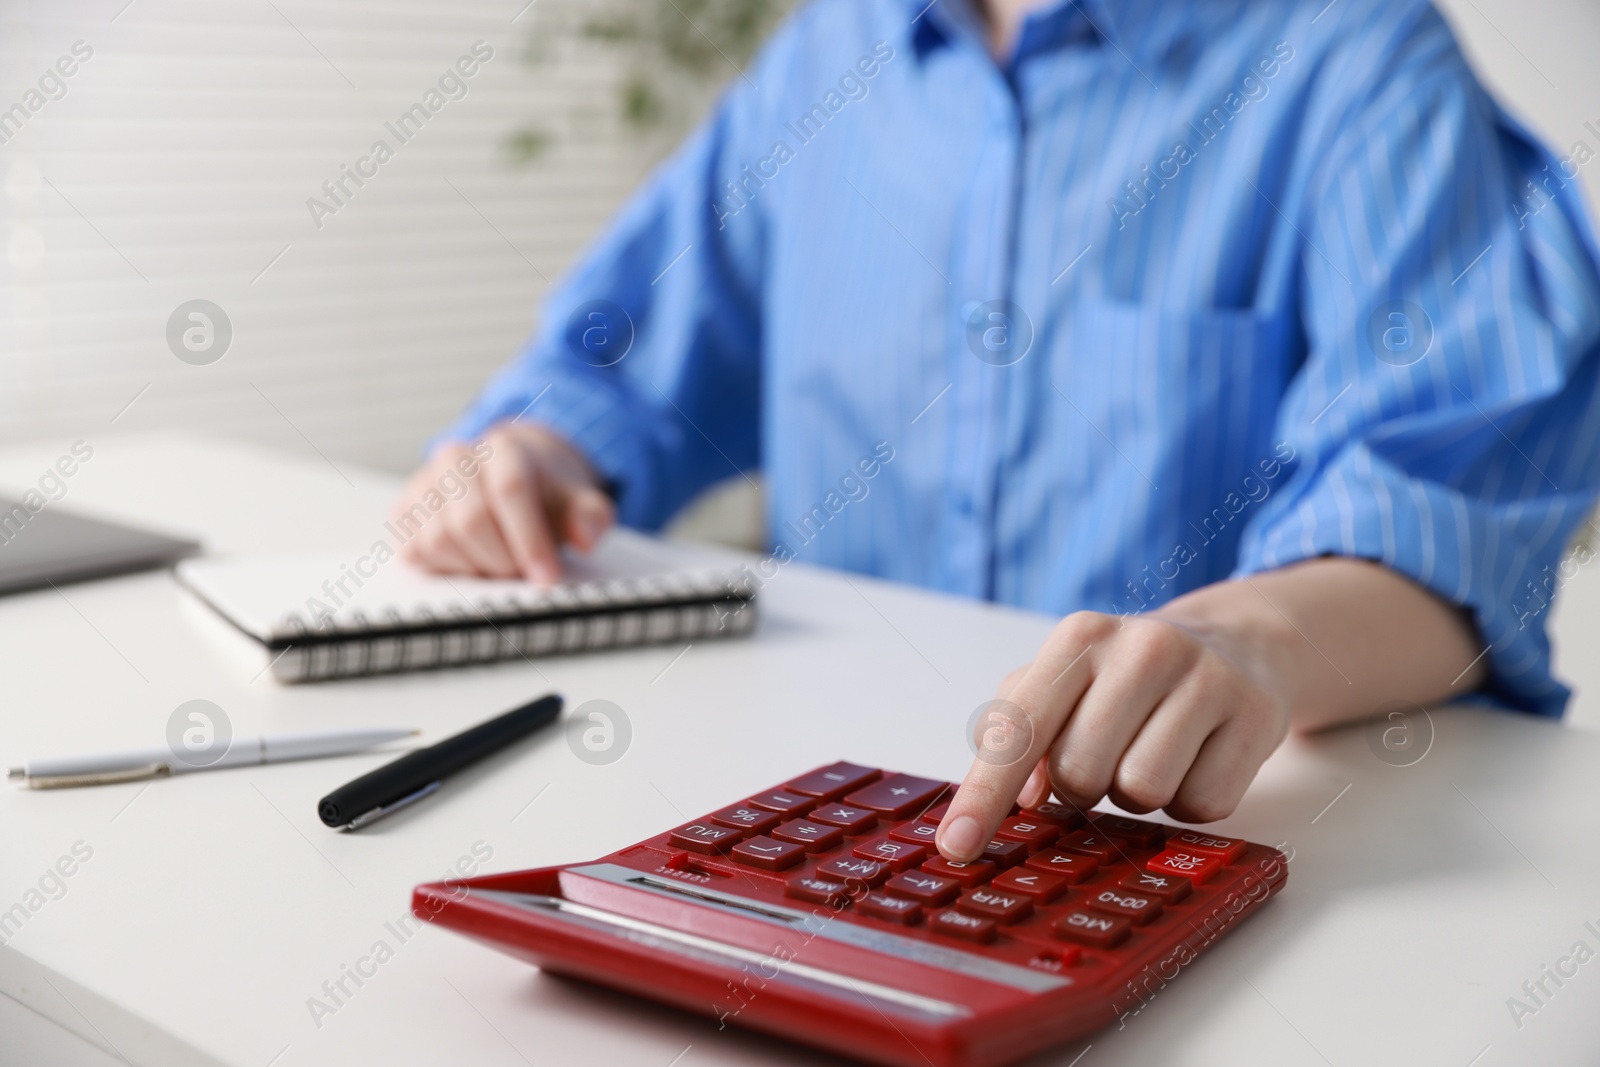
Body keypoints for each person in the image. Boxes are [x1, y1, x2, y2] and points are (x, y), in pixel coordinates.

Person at [393, 0, 1600, 863]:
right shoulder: (823, 52)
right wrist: (534, 458)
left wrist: (1250, 637)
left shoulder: (1359, 57)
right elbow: (609, 370)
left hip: (1192, 847)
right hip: (817, 840)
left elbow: (1450, 518)